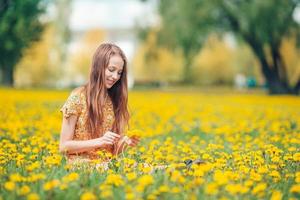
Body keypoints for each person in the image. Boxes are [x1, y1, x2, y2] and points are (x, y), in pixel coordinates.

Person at [59, 43, 140, 169]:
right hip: (81, 165)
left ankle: (178, 166)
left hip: (107, 164)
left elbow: (113, 151)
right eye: (111, 70)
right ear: (98, 67)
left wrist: (124, 142)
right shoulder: (77, 97)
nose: (115, 77)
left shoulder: (114, 101)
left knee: (140, 167)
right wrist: (100, 141)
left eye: (119, 73)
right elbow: (64, 147)